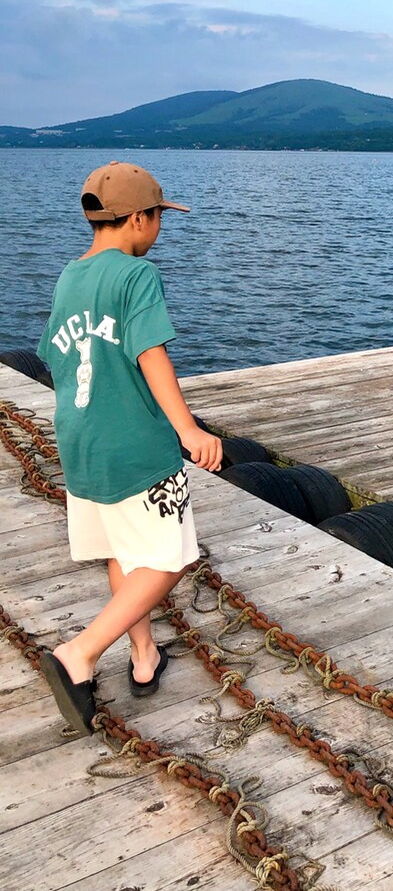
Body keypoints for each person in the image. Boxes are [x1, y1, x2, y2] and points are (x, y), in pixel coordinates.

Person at [36, 161, 223, 735]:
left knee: (125, 550)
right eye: (159, 217)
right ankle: (81, 653)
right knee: (171, 558)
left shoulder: (72, 275)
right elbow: (151, 355)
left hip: (80, 439)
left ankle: (143, 657)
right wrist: (188, 429)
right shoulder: (137, 277)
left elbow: (54, 355)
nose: (160, 228)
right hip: (136, 445)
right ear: (138, 218)